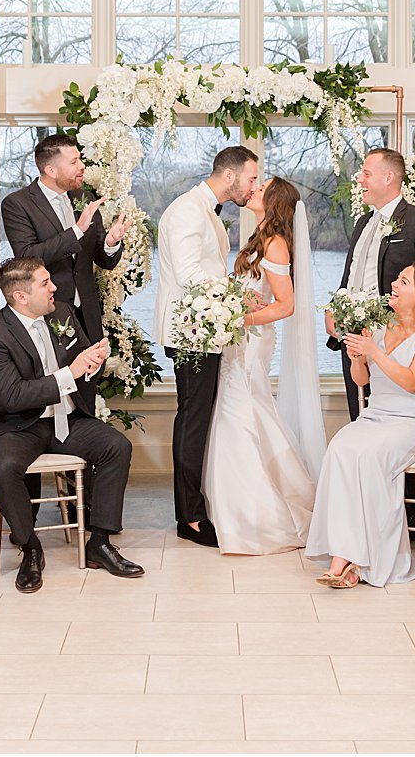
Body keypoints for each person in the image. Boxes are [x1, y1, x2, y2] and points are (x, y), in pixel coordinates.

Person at [0, 257, 144, 593]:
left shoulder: (62, 312)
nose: (54, 288)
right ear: (21, 297)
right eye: (44, 283)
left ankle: (99, 541)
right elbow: (12, 396)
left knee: (116, 446)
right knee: (4, 467)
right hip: (19, 426)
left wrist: (93, 362)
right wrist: (72, 372)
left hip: (67, 419)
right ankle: (30, 548)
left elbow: (81, 360)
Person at [306, 263, 415, 588]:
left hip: (413, 420)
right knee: (341, 449)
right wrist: (358, 356)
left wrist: (374, 351)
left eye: (403, 281)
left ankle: (357, 560)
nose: (393, 285)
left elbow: (412, 381)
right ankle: (346, 556)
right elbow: (363, 380)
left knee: (370, 458)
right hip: (376, 413)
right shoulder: (379, 325)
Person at [203, 177, 320, 555]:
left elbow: (286, 305)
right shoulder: (260, 235)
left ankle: (256, 516)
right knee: (240, 410)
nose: (253, 190)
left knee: (240, 412)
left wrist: (242, 319)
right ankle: (232, 507)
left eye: (262, 186)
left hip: (252, 340)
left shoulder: (276, 243)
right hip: (240, 337)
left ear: (275, 200)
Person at [154, 145, 260, 548]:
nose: (253, 187)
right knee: (193, 419)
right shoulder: (186, 210)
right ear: (230, 175)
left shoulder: (208, 211)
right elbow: (189, 274)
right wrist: (239, 297)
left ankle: (195, 507)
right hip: (190, 332)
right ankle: (190, 518)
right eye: (250, 178)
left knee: (198, 417)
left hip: (205, 327)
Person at [327, 148, 415, 419]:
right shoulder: (363, 222)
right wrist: (334, 308)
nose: (359, 180)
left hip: (394, 336)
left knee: (392, 410)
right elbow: (352, 274)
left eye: (366, 174)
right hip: (354, 334)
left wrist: (404, 319)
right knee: (359, 412)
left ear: (388, 178)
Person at [1, 132, 129, 340]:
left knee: (95, 369)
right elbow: (28, 257)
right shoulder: (17, 204)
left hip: (87, 311)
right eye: (73, 162)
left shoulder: (84, 198)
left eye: (79, 159)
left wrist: (110, 242)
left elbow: (103, 259)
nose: (81, 166)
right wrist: (76, 231)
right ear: (51, 170)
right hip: (50, 309)